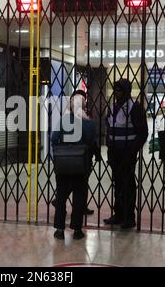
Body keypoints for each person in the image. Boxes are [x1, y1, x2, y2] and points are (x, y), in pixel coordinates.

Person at [51, 90, 102, 240]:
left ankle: (60, 229)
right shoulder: (90, 123)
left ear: (71, 106)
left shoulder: (63, 120)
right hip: (82, 164)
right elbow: (92, 142)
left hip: (64, 164)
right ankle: (77, 230)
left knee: (61, 196)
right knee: (79, 197)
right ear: (84, 106)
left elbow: (54, 139)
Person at [104, 79, 148, 229]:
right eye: (115, 90)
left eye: (119, 90)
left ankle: (129, 217)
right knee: (117, 184)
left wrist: (132, 150)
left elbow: (143, 133)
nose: (116, 93)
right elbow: (108, 126)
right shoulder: (112, 107)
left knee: (128, 185)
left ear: (126, 92)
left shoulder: (134, 108)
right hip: (114, 152)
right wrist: (109, 144)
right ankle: (118, 214)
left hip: (127, 153)